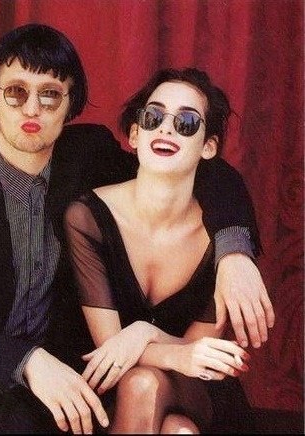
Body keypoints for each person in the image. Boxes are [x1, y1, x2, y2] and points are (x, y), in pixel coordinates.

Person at [0, 24, 273, 434]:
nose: (32, 109)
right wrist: (27, 361)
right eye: (16, 92)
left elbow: (199, 171)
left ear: (70, 107)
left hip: (70, 376)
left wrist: (234, 252)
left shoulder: (90, 157)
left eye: (50, 94)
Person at [64, 67, 259, 433]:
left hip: (197, 390)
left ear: (208, 147)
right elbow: (111, 352)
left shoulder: (221, 239)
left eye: (186, 122)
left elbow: (199, 358)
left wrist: (143, 334)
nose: (166, 129)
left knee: (145, 385)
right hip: (115, 387)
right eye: (154, 117)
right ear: (135, 134)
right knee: (175, 429)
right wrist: (153, 338)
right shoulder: (88, 217)